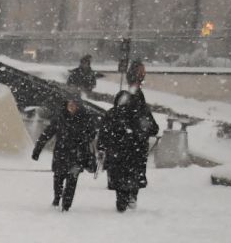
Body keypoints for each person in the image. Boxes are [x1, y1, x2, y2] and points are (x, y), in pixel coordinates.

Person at [32, 91, 100, 211]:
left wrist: (85, 137)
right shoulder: (60, 118)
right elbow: (47, 134)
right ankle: (57, 198)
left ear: (79, 106)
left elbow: (92, 134)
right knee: (58, 179)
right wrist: (37, 149)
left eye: (74, 104)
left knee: (72, 181)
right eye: (69, 104)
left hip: (77, 155)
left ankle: (66, 205)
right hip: (61, 154)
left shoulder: (86, 118)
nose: (71, 106)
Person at [100, 85, 159, 213]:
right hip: (135, 151)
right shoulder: (141, 113)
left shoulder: (115, 113)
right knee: (132, 176)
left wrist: (103, 146)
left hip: (121, 151)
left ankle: (123, 200)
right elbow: (154, 129)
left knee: (121, 177)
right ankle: (130, 196)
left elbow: (104, 132)